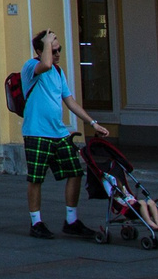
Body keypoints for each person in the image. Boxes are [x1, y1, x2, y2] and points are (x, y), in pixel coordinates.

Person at [20, 29, 107, 239]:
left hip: (59, 133)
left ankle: (71, 220)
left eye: (59, 49)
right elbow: (46, 64)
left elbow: (70, 101)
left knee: (75, 173)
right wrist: (47, 43)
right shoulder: (31, 67)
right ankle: (36, 222)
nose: (58, 54)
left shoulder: (59, 73)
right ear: (39, 51)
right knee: (36, 179)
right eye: (53, 49)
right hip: (37, 133)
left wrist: (92, 122)